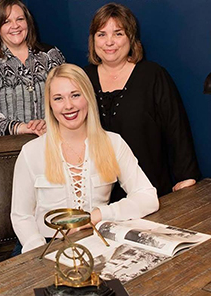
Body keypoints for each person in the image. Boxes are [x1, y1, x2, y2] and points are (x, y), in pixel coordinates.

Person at [11, 63, 159, 253]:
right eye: (58, 98)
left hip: (96, 242)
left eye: (75, 95)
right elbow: (21, 216)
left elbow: (148, 197)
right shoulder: (31, 152)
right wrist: (42, 252)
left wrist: (98, 215)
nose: (68, 106)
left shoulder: (113, 143)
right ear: (50, 104)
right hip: (44, 246)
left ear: (88, 97)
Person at [84, 3, 200, 200]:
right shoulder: (82, 79)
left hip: (149, 193)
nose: (109, 42)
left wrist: (187, 177)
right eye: (101, 34)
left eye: (118, 33)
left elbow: (176, 128)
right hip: (97, 198)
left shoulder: (152, 75)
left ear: (131, 38)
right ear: (93, 40)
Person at [0, 0, 65, 137]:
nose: (15, 26)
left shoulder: (50, 55)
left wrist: (48, 124)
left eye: (20, 19)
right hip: (11, 147)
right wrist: (22, 128)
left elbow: (69, 99)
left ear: (28, 22)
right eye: (6, 22)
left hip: (52, 139)